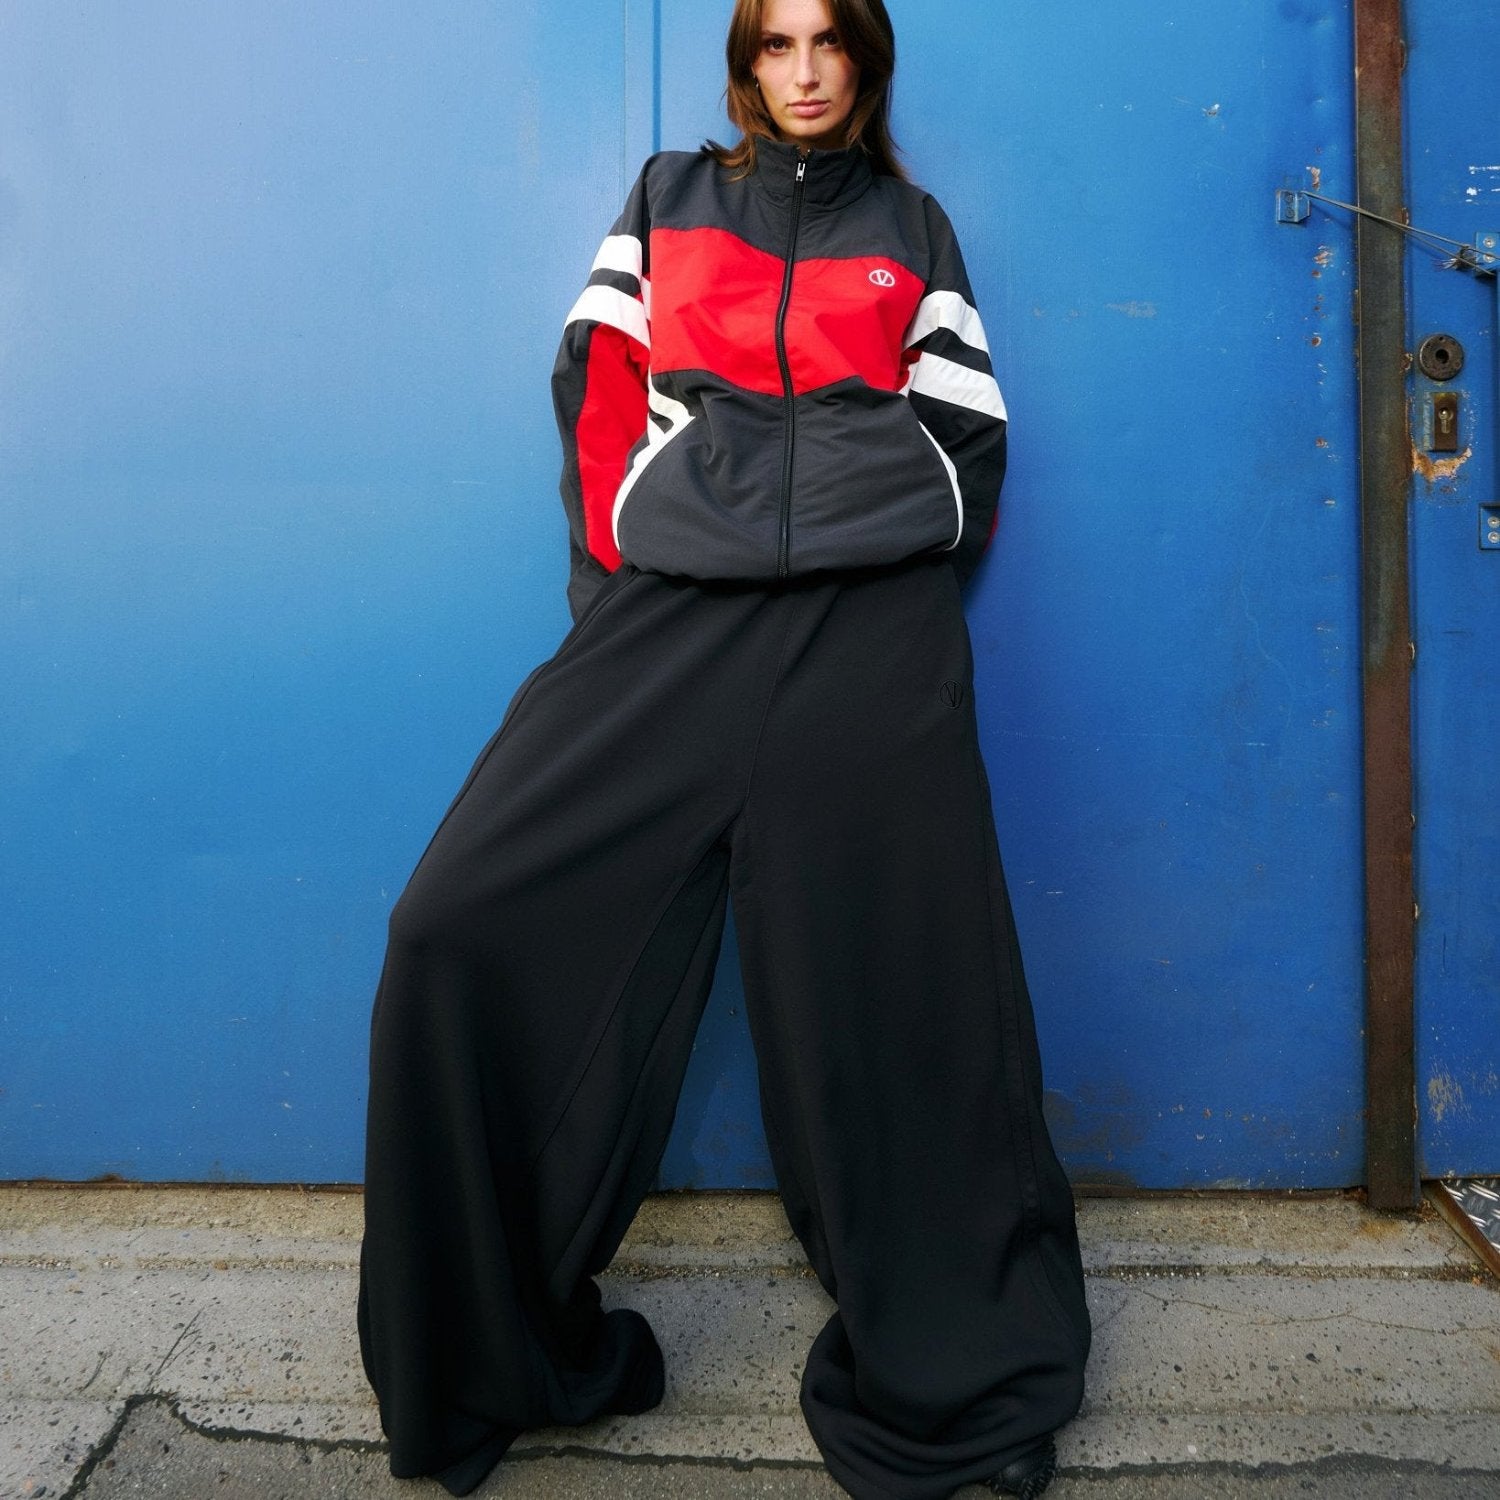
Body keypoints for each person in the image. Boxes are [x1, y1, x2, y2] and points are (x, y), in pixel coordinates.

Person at [355, 1, 1091, 1496]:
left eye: (832, 45)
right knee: (453, 926)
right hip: (671, 623)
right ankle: (497, 1354)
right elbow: (596, 395)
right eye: (778, 43)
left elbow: (967, 442)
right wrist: (639, 559)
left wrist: (837, 512)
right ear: (745, 63)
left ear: (867, 64)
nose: (805, 73)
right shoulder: (667, 199)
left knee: (903, 1001)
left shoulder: (912, 226)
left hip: (870, 645)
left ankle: (951, 1380)